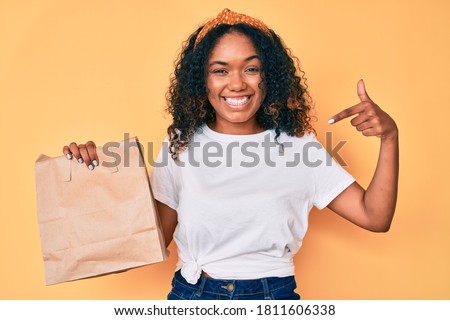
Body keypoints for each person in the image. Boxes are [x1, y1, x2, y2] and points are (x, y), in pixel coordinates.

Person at [63, 9, 399, 300]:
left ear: (269, 78)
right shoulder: (181, 145)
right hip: (192, 297)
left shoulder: (299, 146)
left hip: (273, 297)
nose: (236, 84)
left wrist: (390, 137)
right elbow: (148, 243)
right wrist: (95, 177)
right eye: (220, 70)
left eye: (251, 69)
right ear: (202, 81)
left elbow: (375, 217)